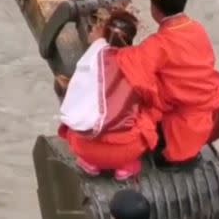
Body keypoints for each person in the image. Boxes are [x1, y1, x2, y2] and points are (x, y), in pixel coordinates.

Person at [115, 0, 219, 164]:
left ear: (154, 9)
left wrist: (105, 41)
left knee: (134, 93)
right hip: (209, 117)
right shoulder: (197, 29)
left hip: (179, 128)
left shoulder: (158, 44)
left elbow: (128, 68)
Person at [55, 10, 159, 181]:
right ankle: (125, 168)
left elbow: (74, 98)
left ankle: (91, 164)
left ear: (104, 33)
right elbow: (152, 100)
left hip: (85, 148)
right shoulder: (138, 63)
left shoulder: (89, 59)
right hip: (125, 151)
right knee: (149, 114)